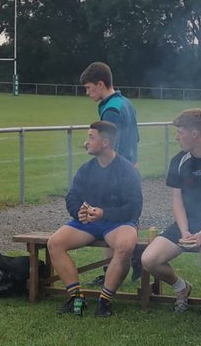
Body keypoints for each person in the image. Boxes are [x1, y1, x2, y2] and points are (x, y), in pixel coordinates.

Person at [140, 108, 201, 315]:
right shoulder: (179, 161)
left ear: (194, 134)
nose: (177, 138)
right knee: (148, 259)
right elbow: (177, 201)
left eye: (180, 133)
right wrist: (184, 230)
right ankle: (182, 288)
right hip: (185, 225)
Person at [48, 121, 143, 318]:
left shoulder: (127, 170)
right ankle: (77, 298)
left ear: (106, 142)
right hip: (90, 222)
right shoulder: (86, 169)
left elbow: (134, 208)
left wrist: (104, 213)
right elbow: (72, 197)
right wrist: (78, 212)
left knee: (125, 245)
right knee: (54, 243)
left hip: (118, 223)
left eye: (91, 138)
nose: (86, 142)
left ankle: (104, 300)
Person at [80, 62, 139, 165]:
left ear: (100, 85)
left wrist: (93, 146)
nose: (87, 92)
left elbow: (109, 150)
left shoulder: (111, 111)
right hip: (131, 169)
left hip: (118, 173)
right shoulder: (127, 103)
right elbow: (135, 138)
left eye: (88, 87)